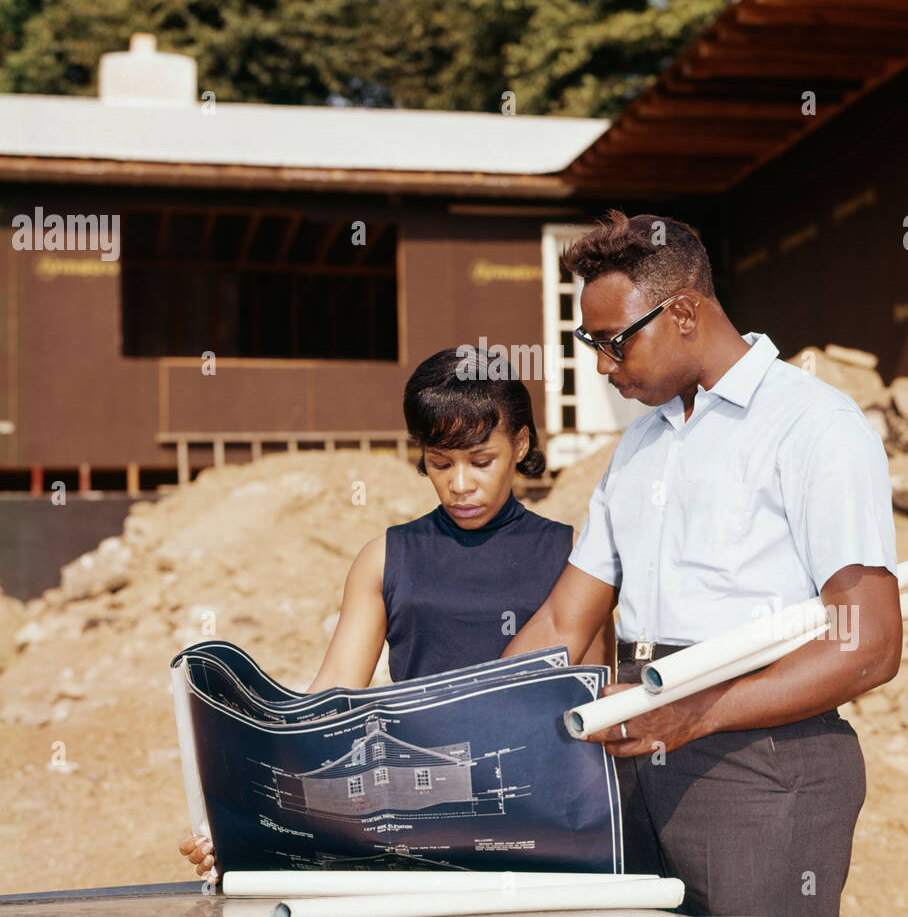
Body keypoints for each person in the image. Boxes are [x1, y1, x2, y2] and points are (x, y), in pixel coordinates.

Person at [502, 211, 902, 917]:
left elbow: (867, 643)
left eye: (612, 341)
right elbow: (566, 621)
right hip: (640, 754)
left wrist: (692, 713)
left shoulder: (811, 424)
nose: (601, 365)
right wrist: (467, 716)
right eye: (587, 344)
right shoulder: (639, 446)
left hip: (760, 765)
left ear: (682, 311)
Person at [181, 345, 613, 879]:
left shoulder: (575, 559)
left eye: (482, 461)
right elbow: (330, 699)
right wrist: (243, 827)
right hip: (421, 831)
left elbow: (592, 706)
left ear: (520, 443)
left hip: (541, 827)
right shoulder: (385, 558)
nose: (460, 483)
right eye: (439, 462)